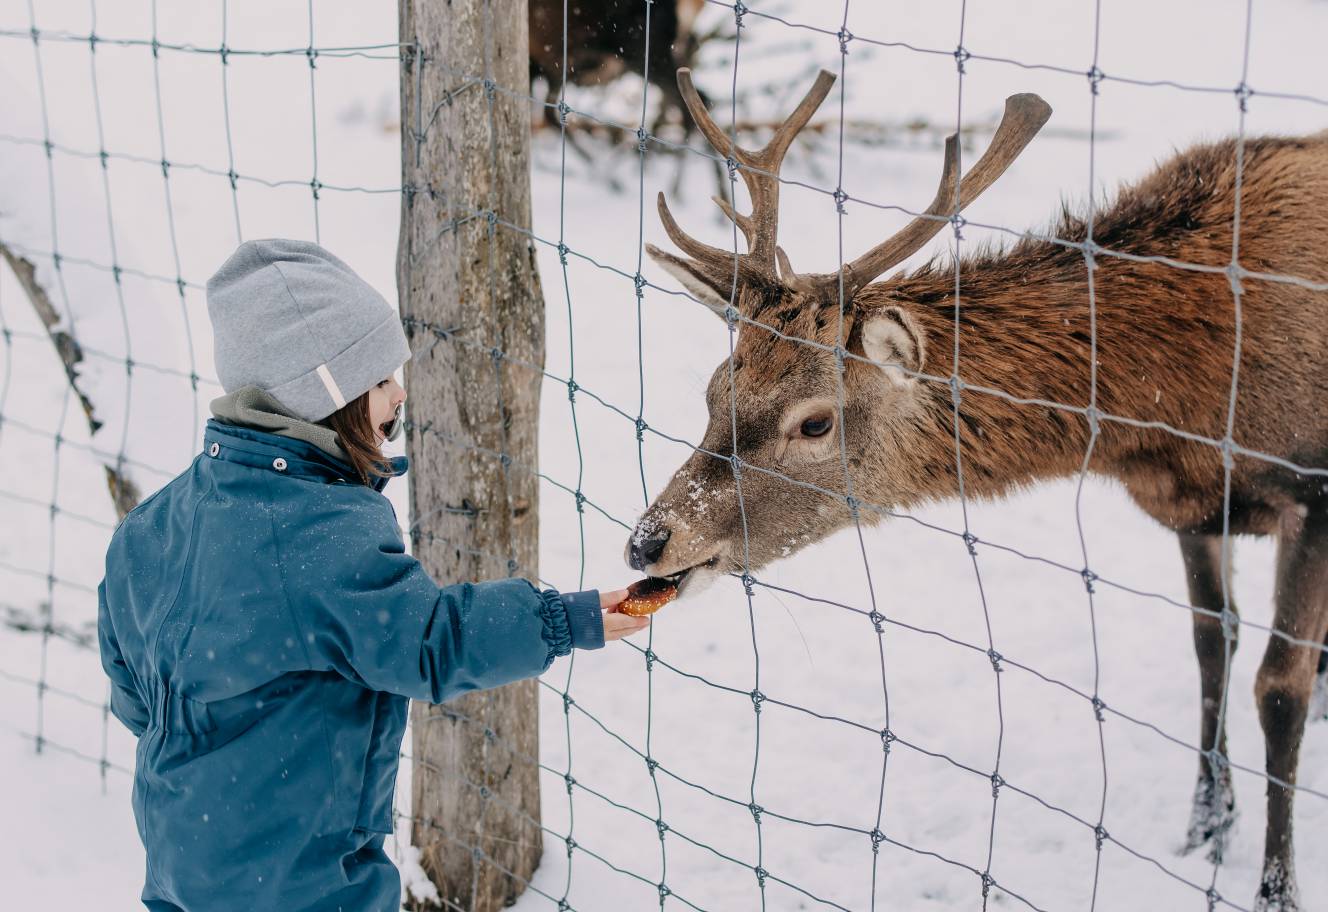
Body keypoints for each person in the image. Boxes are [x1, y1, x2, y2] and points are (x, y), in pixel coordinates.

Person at [96, 238, 648, 912]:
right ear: (324, 392)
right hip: (303, 876)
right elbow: (428, 643)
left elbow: (132, 693)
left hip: (182, 857)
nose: (400, 393)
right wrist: (563, 619)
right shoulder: (319, 531)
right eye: (381, 379)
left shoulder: (153, 523)